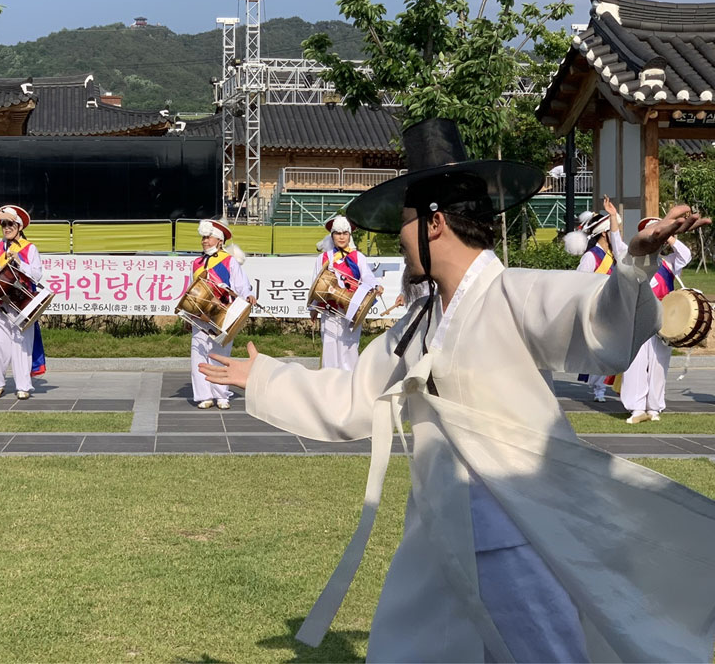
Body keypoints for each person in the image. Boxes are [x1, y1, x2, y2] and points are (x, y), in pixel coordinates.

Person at [199, 118, 715, 662]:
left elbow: (597, 320)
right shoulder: (420, 322)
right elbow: (354, 396)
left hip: (513, 531)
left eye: (404, 223)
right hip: (440, 531)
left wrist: (634, 266)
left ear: (434, 223)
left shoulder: (513, 293)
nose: (398, 239)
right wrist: (264, 377)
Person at [622, 217, 693, 424]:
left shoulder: (668, 263)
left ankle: (654, 407)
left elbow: (686, 255)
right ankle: (636, 408)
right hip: (638, 319)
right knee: (635, 363)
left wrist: (670, 237)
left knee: (659, 363)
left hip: (663, 321)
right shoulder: (633, 262)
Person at [0, 206, 44, 400]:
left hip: (22, 303)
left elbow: (37, 274)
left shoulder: (30, 248)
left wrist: (20, 262)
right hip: (0, 302)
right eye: (3, 224)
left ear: (19, 226)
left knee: (22, 346)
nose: (6, 227)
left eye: (10, 223)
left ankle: (23, 386)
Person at [189, 219, 255, 409]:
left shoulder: (229, 260)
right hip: (200, 316)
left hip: (223, 314)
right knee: (199, 354)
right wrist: (188, 312)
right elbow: (190, 290)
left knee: (220, 354)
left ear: (219, 240)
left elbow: (241, 284)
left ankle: (221, 395)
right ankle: (204, 395)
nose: (204, 241)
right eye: (203, 238)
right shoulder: (196, 263)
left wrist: (249, 295)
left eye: (208, 237)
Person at [565, 196, 625, 402]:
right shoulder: (591, 257)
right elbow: (579, 283)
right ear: (605, 234)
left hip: (613, 308)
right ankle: (599, 389)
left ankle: (607, 387)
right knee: (603, 350)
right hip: (596, 309)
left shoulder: (615, 255)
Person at [310, 215, 379, 371]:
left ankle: (349, 382)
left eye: (344, 233)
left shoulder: (358, 257)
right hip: (330, 309)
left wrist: (375, 285)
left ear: (349, 235)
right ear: (332, 235)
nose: (341, 237)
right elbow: (316, 283)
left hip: (351, 308)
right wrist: (314, 308)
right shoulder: (324, 258)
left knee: (349, 346)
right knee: (329, 344)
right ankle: (329, 381)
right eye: (337, 233)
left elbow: (367, 275)